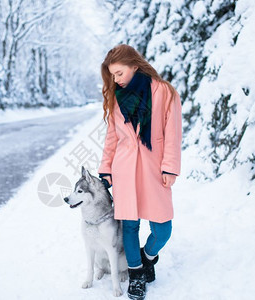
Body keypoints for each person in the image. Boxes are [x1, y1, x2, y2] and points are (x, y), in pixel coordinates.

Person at [97, 44, 182, 300]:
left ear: (135, 66)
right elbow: (112, 137)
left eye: (119, 73)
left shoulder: (164, 92)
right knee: (130, 226)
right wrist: (106, 169)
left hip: (154, 168)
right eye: (112, 75)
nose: (115, 79)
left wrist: (170, 166)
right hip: (124, 169)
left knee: (162, 229)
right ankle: (136, 276)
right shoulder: (115, 98)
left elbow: (173, 133)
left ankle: (148, 258)